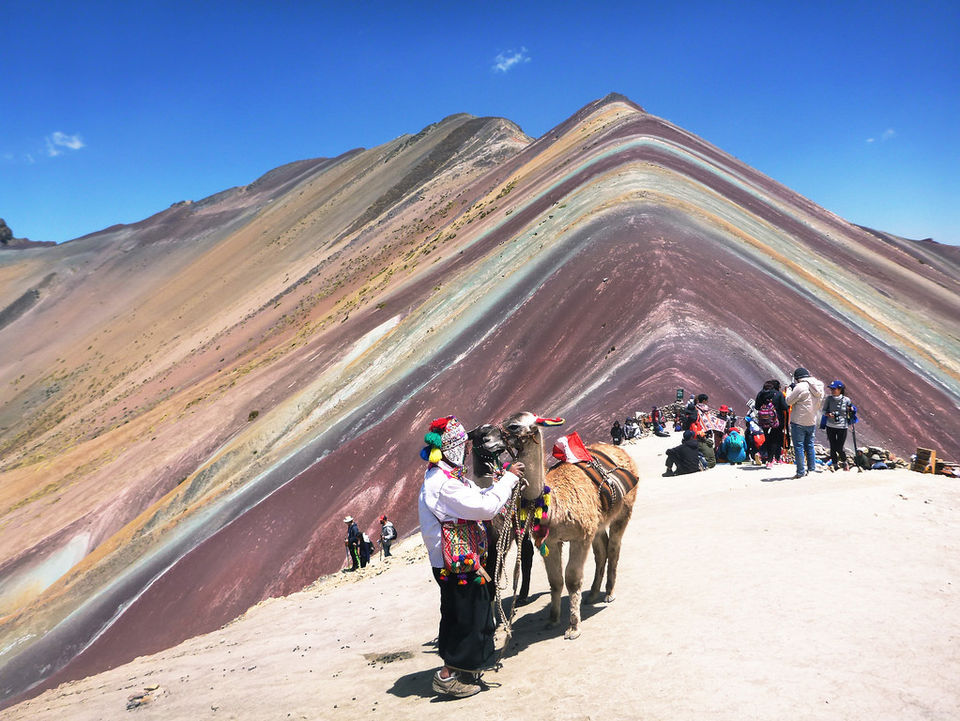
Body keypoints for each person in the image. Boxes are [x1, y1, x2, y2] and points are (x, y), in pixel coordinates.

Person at [418, 415, 523, 699]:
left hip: (459, 563)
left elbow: (481, 495)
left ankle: (465, 671)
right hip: (457, 567)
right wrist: (511, 478)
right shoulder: (444, 484)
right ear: (452, 448)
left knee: (467, 614)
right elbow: (484, 508)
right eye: (462, 447)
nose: (465, 452)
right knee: (466, 617)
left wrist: (499, 484)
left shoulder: (447, 478)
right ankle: (450, 676)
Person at [784, 368, 825, 478]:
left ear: (797, 378)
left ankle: (800, 471)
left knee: (799, 446)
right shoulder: (819, 386)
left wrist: (790, 390)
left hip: (799, 421)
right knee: (810, 445)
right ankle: (811, 469)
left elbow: (788, 401)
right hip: (812, 420)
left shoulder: (800, 387)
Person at [821, 380, 854, 471]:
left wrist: (850, 410)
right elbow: (823, 410)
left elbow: (851, 411)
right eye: (831, 389)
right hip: (830, 425)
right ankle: (835, 464)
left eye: (834, 389)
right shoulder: (829, 399)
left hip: (842, 426)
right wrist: (828, 414)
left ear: (840, 389)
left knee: (839, 447)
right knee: (832, 446)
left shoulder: (846, 400)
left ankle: (844, 461)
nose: (832, 391)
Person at [755, 380, 788, 467]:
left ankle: (767, 457)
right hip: (777, 420)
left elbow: (757, 406)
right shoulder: (778, 394)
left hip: (764, 421)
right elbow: (784, 407)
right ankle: (770, 460)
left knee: (767, 438)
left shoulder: (760, 394)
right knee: (774, 439)